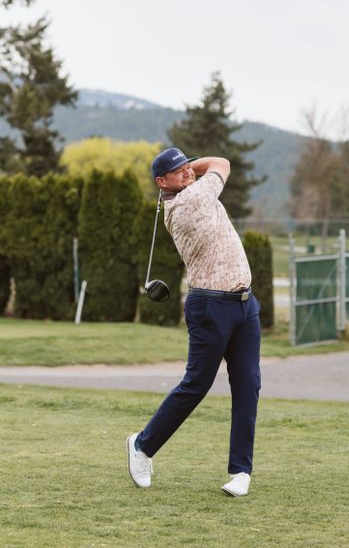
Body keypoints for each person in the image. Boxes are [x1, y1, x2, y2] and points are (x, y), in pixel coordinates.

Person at [126, 147, 261, 497]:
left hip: (245, 304)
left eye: (187, 167)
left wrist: (186, 167)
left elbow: (206, 170)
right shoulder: (188, 203)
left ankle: (240, 471)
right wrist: (197, 168)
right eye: (178, 170)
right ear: (162, 183)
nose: (187, 173)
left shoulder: (190, 189)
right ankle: (142, 446)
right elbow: (223, 162)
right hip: (210, 307)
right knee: (196, 385)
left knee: (248, 384)